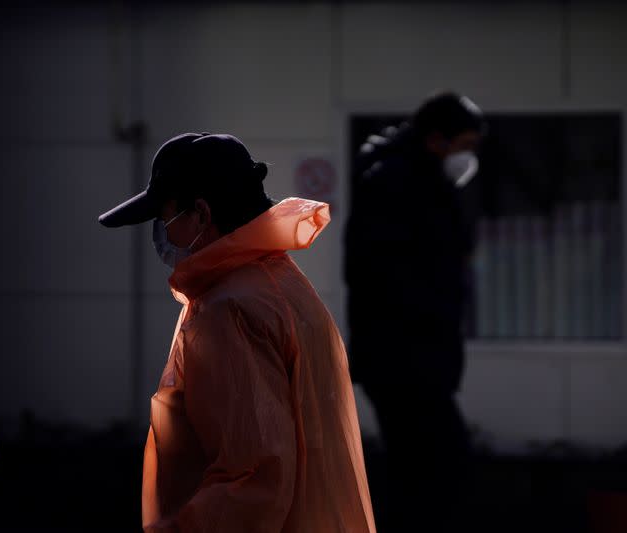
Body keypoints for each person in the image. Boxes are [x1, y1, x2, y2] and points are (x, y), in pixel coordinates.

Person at [99, 133, 376, 533]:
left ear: (201, 213)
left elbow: (253, 476)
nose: (162, 234)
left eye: (165, 218)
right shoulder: (278, 283)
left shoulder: (228, 307)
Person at [344, 91, 485, 533]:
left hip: (416, 356)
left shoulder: (425, 182)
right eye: (463, 145)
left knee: (424, 472)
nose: (467, 157)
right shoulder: (395, 183)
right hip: (404, 358)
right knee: (433, 469)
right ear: (436, 140)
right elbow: (380, 273)